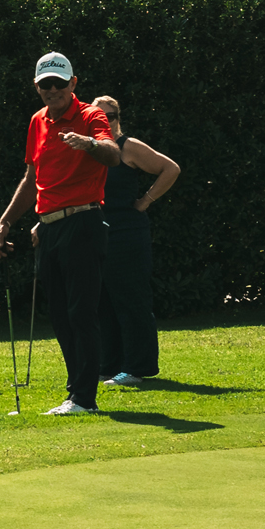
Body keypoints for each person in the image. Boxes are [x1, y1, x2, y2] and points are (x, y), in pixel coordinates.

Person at [0, 52, 120, 416]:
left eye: (59, 84)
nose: (52, 90)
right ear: (37, 87)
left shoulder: (91, 116)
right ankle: (75, 392)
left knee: (81, 313)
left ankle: (84, 398)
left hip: (83, 222)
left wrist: (89, 144)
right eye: (45, 85)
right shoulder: (37, 121)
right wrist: (5, 221)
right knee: (61, 315)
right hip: (48, 227)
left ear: (72, 83)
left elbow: (112, 154)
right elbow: (32, 178)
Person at [91, 95, 180, 387]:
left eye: (111, 116)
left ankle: (137, 367)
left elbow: (171, 168)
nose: (106, 121)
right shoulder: (90, 150)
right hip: (96, 232)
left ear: (118, 118)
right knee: (102, 302)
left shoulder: (128, 146)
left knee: (131, 299)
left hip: (127, 233)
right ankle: (109, 366)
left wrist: (146, 200)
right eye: (99, 117)